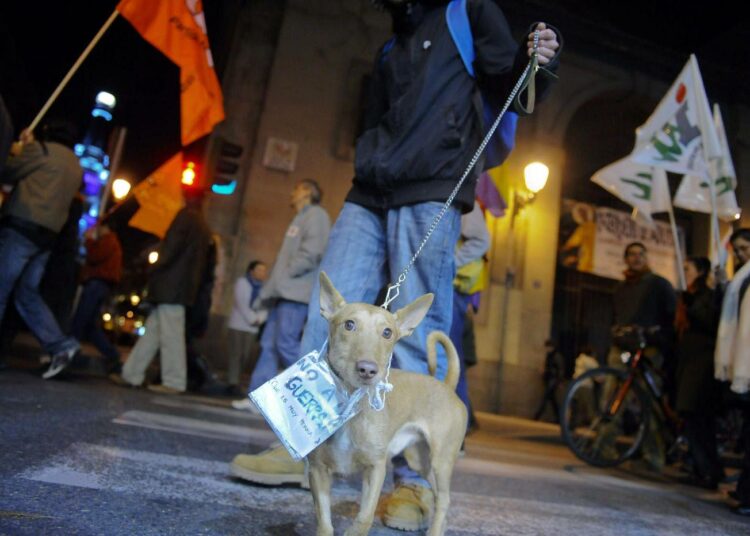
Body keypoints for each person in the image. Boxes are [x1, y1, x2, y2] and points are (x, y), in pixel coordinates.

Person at [230, 1, 561, 531]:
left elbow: (508, 80)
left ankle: (412, 483)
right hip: (369, 190)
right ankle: (304, 443)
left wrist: (538, 59)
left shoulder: (467, 10)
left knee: (411, 332)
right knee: (328, 318)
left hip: (433, 183)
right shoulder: (393, 38)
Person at [0, 120, 83, 378]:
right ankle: (61, 345)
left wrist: (22, 147)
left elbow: (8, 171)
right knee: (27, 292)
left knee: (2, 286)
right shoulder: (76, 166)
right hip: (48, 236)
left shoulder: (43, 150)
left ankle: (60, 345)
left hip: (23, 226)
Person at [111, 187, 212, 394]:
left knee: (171, 335)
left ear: (186, 197)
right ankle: (131, 374)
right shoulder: (201, 223)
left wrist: (153, 266)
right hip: (180, 287)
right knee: (153, 333)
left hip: (171, 286)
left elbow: (170, 250)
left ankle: (174, 381)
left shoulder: (185, 218)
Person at [239, 179, 330, 395]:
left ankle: (318, 391)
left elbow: (313, 252)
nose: (292, 192)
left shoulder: (316, 215)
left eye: (296, 188)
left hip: (295, 295)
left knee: (285, 344)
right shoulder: (300, 218)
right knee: (269, 345)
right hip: (285, 293)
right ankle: (259, 399)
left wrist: (287, 274)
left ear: (307, 192)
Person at [607, 241, 676, 473]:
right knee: (611, 399)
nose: (636, 258)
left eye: (640, 254)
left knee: (649, 403)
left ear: (646, 258)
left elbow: (671, 317)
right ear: (625, 259)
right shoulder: (620, 288)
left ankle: (653, 456)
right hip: (621, 349)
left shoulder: (658, 285)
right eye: (631, 254)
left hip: (649, 350)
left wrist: (658, 338)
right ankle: (603, 447)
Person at [674, 256, 723, 490]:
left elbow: (708, 320)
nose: (684, 272)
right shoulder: (691, 293)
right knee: (691, 417)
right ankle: (700, 468)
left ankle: (708, 470)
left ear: (701, 271)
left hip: (701, 363)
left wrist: (691, 303)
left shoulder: (707, 293)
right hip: (689, 361)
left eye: (688, 269)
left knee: (696, 417)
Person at [716, 228, 750, 515]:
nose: (740, 254)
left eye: (744, 248)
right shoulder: (741, 279)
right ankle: (745, 493)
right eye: (736, 249)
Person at [450, 200, 489, 432]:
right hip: (451, 291)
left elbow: (482, 240)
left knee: (451, 361)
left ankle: (457, 433)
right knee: (451, 360)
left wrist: (449, 264)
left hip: (453, 290)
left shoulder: (466, 197)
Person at [69, 222, 123, 374]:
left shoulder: (108, 240)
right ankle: (111, 354)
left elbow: (95, 256)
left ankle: (69, 352)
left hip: (97, 283)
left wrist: (88, 240)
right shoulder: (111, 241)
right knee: (89, 325)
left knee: (81, 319)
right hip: (99, 284)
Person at [226, 260, 268, 399]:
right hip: (238, 324)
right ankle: (232, 382)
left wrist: (259, 319)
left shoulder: (265, 288)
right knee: (235, 354)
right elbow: (241, 303)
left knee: (246, 355)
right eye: (259, 270)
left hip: (253, 328)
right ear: (251, 271)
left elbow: (266, 306)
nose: (262, 273)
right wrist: (251, 318)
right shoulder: (242, 283)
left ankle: (237, 380)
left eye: (264, 271)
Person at [533, 339, 567, 422]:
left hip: (553, 379)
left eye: (548, 347)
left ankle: (537, 416)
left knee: (545, 398)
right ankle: (559, 418)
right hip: (550, 379)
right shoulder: (550, 355)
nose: (547, 349)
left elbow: (560, 370)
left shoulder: (556, 356)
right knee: (553, 401)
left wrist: (559, 381)